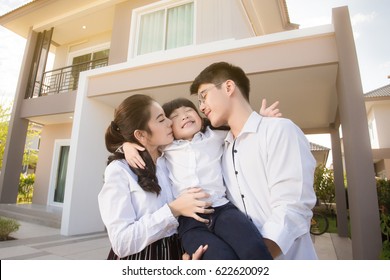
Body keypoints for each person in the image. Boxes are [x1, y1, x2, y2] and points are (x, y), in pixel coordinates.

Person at [189, 61, 318, 260]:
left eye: (204, 96)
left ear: (229, 87)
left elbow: (293, 208)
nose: (201, 107)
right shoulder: (222, 149)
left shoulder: (279, 130)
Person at [123, 98, 280, 260]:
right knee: (219, 258)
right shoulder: (166, 147)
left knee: (253, 247)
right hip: (189, 221)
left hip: (222, 210)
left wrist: (262, 120)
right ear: (170, 128)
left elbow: (243, 129)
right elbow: (143, 140)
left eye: (189, 110)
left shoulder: (215, 136)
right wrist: (126, 147)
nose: (184, 116)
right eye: (175, 116)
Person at [98, 94, 213, 260]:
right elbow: (121, 243)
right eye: (161, 119)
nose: (170, 122)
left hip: (180, 252)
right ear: (141, 135)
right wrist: (173, 210)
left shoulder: (172, 158)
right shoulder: (120, 171)